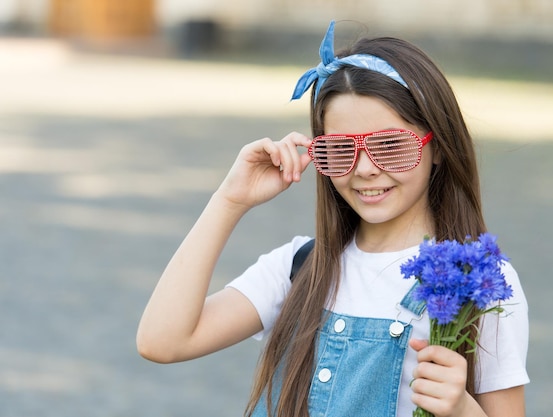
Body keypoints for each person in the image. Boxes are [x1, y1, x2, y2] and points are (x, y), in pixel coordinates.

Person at [137, 20, 529, 417]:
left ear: (438, 146)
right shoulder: (299, 268)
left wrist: (462, 409)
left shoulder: (475, 281)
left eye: (390, 146)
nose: (364, 168)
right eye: (339, 150)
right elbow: (162, 341)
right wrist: (230, 200)